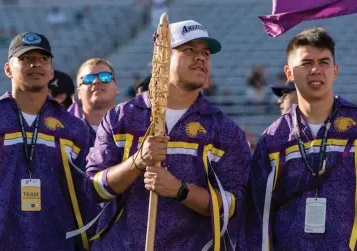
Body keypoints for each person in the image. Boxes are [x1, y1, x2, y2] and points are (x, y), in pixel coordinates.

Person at [85, 20, 251, 250]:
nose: (201, 58)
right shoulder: (121, 118)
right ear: (161, 56)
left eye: (206, 53)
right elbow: (94, 189)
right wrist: (136, 162)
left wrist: (180, 190)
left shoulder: (224, 129)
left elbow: (233, 205)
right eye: (189, 50)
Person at [0, 32, 97, 251]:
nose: (36, 64)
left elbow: (87, 195)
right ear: (8, 69)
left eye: (43, 59)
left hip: (58, 243)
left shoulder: (73, 127)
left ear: (51, 70)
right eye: (25, 58)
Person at [245, 28, 357, 250]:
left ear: (335, 71)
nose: (316, 69)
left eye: (324, 62)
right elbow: (258, 217)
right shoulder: (273, 139)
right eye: (306, 63)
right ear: (289, 72)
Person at [75, 58, 119, 146]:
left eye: (105, 77)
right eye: (88, 79)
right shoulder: (63, 129)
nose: (96, 81)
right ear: (79, 92)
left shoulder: (135, 128)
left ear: (117, 88)